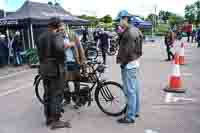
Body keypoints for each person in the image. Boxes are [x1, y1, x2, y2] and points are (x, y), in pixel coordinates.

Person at [37, 17, 71, 129]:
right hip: (55, 69)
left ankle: (48, 118)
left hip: (43, 68)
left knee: (47, 94)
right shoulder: (56, 35)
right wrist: (65, 51)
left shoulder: (41, 36)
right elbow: (59, 50)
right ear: (57, 26)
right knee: (57, 94)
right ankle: (56, 120)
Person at [116, 10, 143, 124]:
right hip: (135, 62)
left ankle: (130, 116)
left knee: (130, 91)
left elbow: (128, 51)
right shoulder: (135, 30)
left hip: (129, 64)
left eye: (120, 20)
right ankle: (135, 111)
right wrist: (120, 34)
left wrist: (123, 63)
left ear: (125, 19)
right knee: (134, 89)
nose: (119, 22)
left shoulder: (129, 32)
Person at [58, 23, 86, 108]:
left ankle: (77, 101)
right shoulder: (58, 39)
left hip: (74, 61)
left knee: (76, 82)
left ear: (66, 28)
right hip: (64, 63)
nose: (61, 32)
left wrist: (83, 61)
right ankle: (67, 99)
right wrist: (65, 47)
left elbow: (80, 48)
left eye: (62, 30)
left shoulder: (73, 35)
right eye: (59, 30)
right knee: (65, 82)